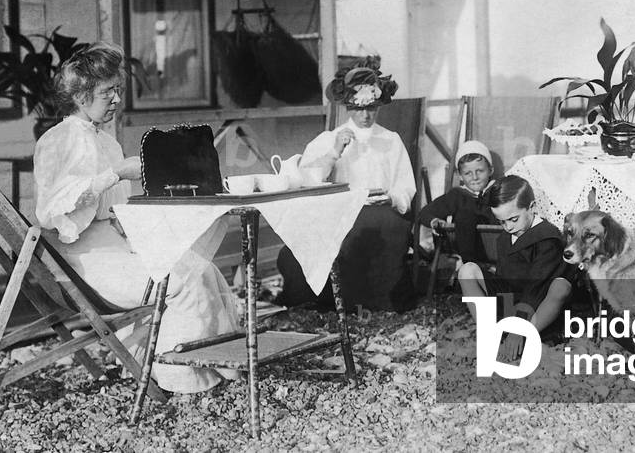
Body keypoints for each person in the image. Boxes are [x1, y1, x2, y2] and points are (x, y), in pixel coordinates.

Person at [33, 42, 240, 394]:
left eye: (117, 90)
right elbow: (51, 210)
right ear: (81, 96)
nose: (115, 99)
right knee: (182, 279)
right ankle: (182, 378)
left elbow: (116, 208)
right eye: (106, 92)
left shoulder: (106, 142)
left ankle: (221, 363)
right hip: (83, 263)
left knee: (205, 268)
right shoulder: (57, 140)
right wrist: (113, 175)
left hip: (115, 249)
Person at [277, 56, 417, 311]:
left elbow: (405, 184)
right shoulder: (329, 138)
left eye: (372, 108)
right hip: (338, 211)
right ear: (347, 107)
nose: (365, 115)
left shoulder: (391, 139)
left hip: (379, 210)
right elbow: (308, 180)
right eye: (359, 108)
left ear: (380, 106)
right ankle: (326, 301)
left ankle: (375, 303)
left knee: (385, 227)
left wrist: (393, 198)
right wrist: (335, 152)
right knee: (309, 242)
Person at [458, 175, 573, 361]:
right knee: (467, 271)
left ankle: (528, 335)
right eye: (501, 222)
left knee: (560, 287)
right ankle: (494, 335)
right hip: (512, 301)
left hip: (538, 308)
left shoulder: (547, 238)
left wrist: (520, 328)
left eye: (513, 219)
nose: (508, 227)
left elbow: (536, 288)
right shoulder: (506, 237)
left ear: (532, 208)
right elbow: (503, 278)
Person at [417, 139, 498, 264]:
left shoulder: (498, 191)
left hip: (495, 249)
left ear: (490, 170)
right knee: (465, 214)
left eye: (480, 171)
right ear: (460, 176)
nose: (475, 177)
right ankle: (469, 265)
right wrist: (435, 221)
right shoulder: (458, 195)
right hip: (465, 250)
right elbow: (425, 213)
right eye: (468, 173)